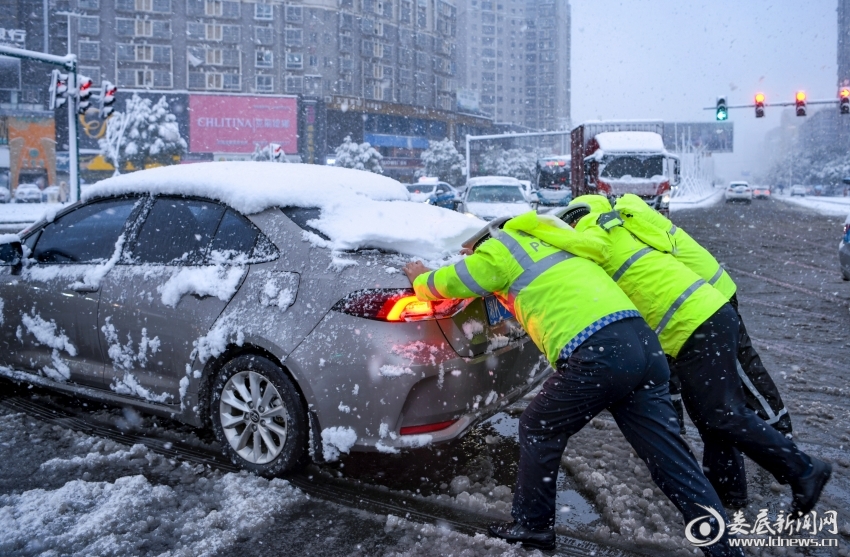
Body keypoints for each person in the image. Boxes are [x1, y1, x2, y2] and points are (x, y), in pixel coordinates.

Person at [403, 212, 741, 556]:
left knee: (538, 427)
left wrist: (421, 279)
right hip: (642, 345)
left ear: (483, 242)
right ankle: (725, 549)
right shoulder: (558, 248)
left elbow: (451, 281)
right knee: (671, 459)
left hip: (600, 352)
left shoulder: (500, 249)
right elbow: (543, 301)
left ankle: (532, 527)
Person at [553, 195, 830, 516]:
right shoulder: (617, 227)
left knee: (723, 415)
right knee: (710, 418)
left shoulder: (594, 240)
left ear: (573, 222)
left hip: (696, 322)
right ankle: (730, 493)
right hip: (704, 316)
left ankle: (805, 470)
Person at [613, 193, 792, 438]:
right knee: (669, 369)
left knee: (741, 367)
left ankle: (777, 429)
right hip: (692, 299)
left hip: (708, 296)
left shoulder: (628, 224)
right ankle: (677, 429)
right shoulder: (633, 216)